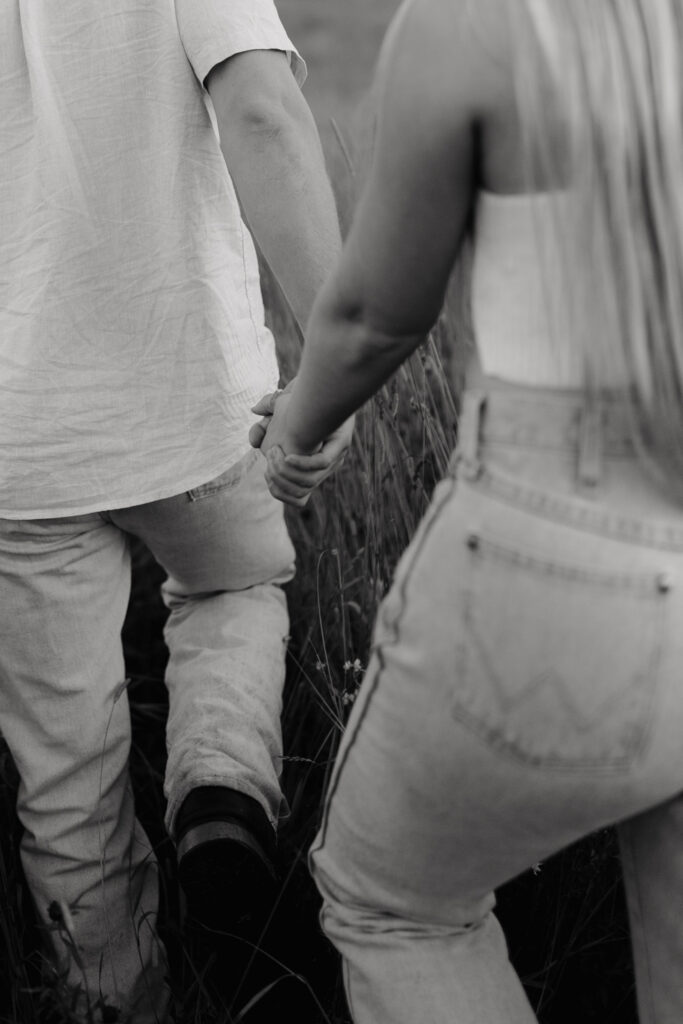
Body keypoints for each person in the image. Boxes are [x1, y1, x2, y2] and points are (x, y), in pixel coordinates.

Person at [252, 0, 683, 1020]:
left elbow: (369, 319)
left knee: (394, 905)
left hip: (553, 548)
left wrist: (291, 436)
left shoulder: (475, 24)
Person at [0, 1, 346, 1021]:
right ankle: (222, 786)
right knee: (234, 581)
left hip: (22, 439)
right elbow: (264, 114)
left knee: (62, 770)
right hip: (199, 409)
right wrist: (333, 364)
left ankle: (117, 997)